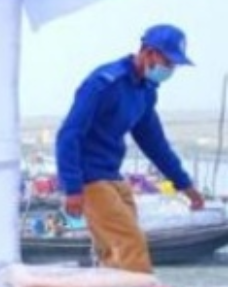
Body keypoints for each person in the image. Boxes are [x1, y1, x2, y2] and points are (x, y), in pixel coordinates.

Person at [55, 23, 203, 273]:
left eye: (174, 65)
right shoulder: (104, 83)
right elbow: (69, 134)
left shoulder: (145, 91)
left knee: (114, 252)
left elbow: (155, 144)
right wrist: (72, 187)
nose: (170, 69)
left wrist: (185, 185)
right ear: (148, 52)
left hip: (112, 175)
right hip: (89, 177)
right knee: (131, 245)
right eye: (168, 62)